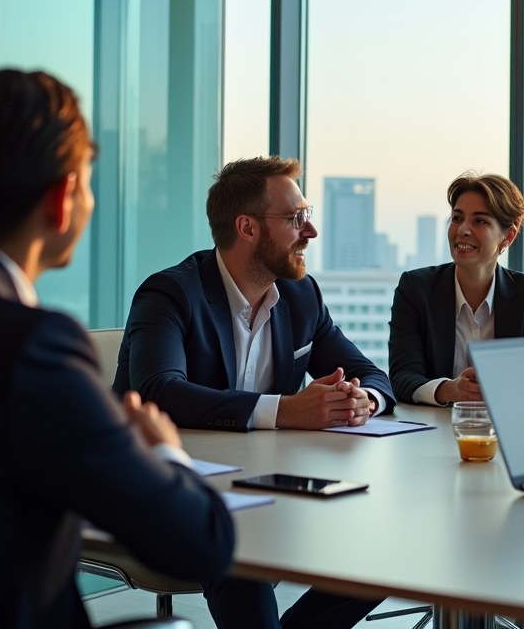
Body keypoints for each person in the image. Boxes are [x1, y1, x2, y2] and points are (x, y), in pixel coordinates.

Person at [0, 69, 234, 629]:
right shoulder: (30, 348)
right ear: (62, 200)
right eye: (86, 182)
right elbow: (198, 543)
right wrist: (161, 450)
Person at [114, 154, 395, 629]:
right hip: (171, 488)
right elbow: (159, 392)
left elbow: (373, 374)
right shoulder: (170, 294)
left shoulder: (302, 297)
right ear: (246, 228)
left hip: (268, 489)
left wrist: (359, 399)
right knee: (238, 554)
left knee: (386, 549)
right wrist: (287, 410)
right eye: (295, 218)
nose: (310, 231)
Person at [389, 172, 524, 405]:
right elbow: (402, 377)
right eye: (457, 218)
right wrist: (451, 390)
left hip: (502, 432)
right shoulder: (416, 289)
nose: (462, 230)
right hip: (430, 430)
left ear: (508, 237)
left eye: (480, 221)